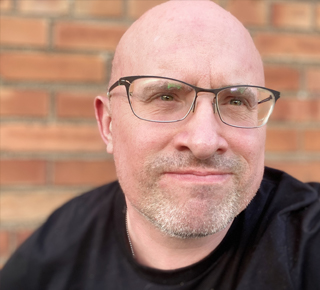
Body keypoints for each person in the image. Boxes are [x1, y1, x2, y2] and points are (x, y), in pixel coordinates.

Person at [1, 1, 319, 289]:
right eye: (165, 97)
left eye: (235, 100)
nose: (205, 142)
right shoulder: (58, 248)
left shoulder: (307, 246)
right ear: (108, 125)